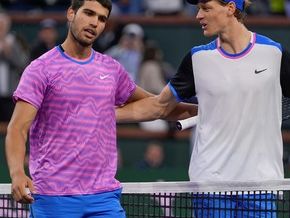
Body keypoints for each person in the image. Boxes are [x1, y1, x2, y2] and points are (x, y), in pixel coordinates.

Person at [5, 1, 195, 217]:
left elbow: (159, 105)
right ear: (70, 13)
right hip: (53, 198)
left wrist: (204, 112)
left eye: (102, 18)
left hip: (104, 198)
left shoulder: (111, 69)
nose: (94, 23)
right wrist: (17, 173)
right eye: (88, 13)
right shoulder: (40, 69)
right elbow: (17, 129)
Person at [116, 0, 290, 217]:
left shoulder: (274, 53)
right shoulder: (197, 58)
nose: (198, 15)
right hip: (211, 185)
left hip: (261, 185)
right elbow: (159, 106)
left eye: (206, 8)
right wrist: (105, 114)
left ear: (230, 8)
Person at [0, 11, 29, 122]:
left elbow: (22, 64)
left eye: (2, 26)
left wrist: (9, 52)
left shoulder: (14, 41)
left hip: (9, 93)